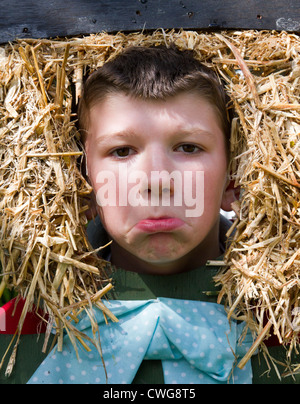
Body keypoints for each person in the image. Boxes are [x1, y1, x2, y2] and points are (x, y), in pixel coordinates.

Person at [27, 45, 298, 385]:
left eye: (188, 147)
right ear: (83, 183)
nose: (157, 180)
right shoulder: (20, 334)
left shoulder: (287, 334)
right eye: (122, 151)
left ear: (234, 177)